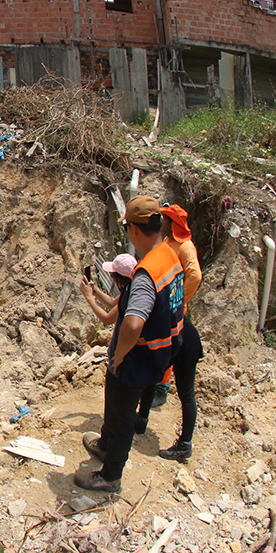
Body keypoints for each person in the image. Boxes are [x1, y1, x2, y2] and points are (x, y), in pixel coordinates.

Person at [75, 195, 185, 493]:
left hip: (136, 358)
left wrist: (120, 355)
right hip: (158, 352)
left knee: (122, 416)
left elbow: (133, 322)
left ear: (134, 230)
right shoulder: (170, 256)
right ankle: (105, 443)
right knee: (115, 406)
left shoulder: (145, 274)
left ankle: (110, 475)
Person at [151, 204, 204, 460]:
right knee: (161, 355)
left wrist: (180, 299)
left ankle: (185, 443)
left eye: (165, 218)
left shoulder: (185, 246)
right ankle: (157, 393)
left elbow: (194, 274)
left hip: (177, 315)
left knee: (186, 390)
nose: (161, 220)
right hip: (168, 312)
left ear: (173, 222)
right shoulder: (170, 241)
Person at [79, 253, 137, 326]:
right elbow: (113, 303)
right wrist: (95, 291)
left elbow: (107, 319)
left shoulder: (132, 294)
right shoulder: (132, 287)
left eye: (112, 275)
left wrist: (89, 297)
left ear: (119, 277)